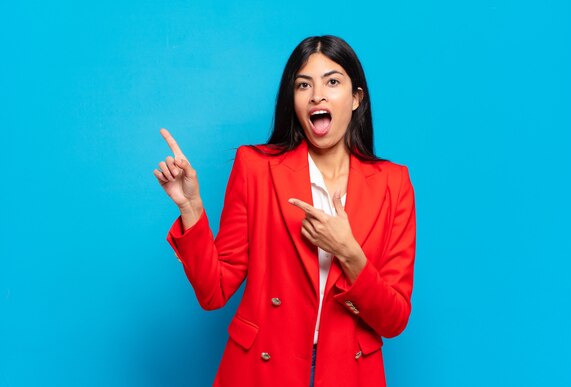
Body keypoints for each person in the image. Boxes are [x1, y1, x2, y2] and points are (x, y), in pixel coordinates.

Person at [154, 35, 416, 387]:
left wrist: (349, 253)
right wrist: (191, 209)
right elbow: (213, 291)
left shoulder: (393, 183)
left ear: (356, 98)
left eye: (333, 82)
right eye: (303, 85)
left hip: (348, 374)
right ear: (292, 100)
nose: (317, 95)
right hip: (261, 370)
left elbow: (394, 320)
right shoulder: (256, 168)